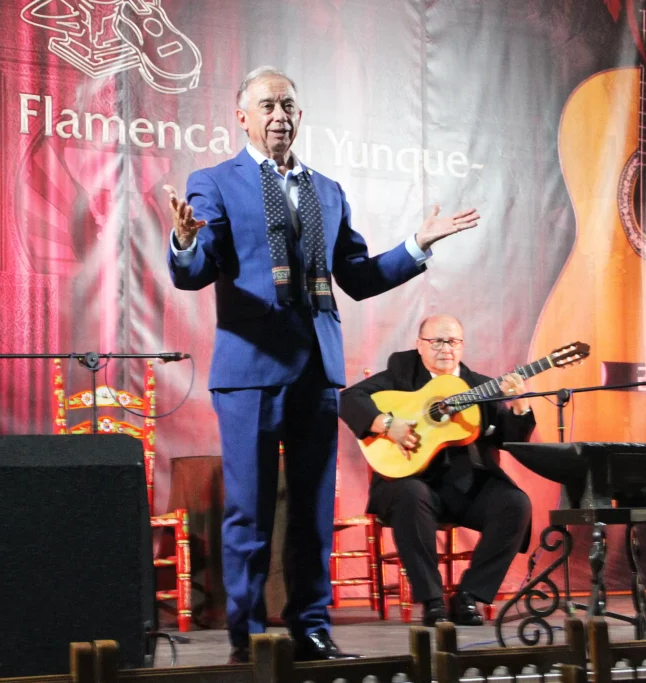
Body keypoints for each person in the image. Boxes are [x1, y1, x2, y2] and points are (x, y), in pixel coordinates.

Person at [163, 67, 480, 662]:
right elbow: (196, 268)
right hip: (251, 371)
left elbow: (356, 277)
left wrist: (418, 244)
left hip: (315, 372)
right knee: (249, 512)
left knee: (312, 512)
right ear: (243, 116)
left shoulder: (327, 190)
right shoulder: (215, 182)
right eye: (266, 106)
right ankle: (250, 637)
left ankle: (310, 628)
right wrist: (184, 242)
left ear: (300, 115)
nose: (278, 115)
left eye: (287, 105)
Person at [338, 314, 535, 627]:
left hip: (465, 486)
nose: (447, 348)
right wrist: (388, 425)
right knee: (410, 495)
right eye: (437, 341)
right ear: (419, 345)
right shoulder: (401, 375)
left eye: (454, 341)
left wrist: (521, 407)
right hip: (408, 481)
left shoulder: (480, 386)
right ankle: (432, 601)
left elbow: (508, 439)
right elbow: (349, 399)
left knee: (516, 504)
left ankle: (470, 596)